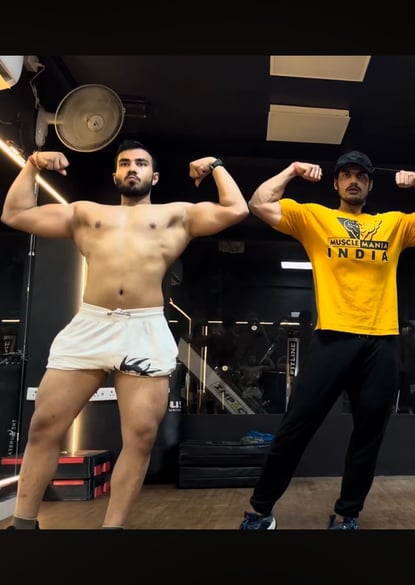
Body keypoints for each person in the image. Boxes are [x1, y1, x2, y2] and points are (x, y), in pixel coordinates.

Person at [1, 139, 249, 528]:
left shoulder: (176, 215)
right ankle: (23, 525)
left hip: (145, 328)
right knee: (44, 427)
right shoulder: (86, 212)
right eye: (124, 163)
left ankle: (111, 530)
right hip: (91, 325)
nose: (132, 168)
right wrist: (32, 164)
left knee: (140, 438)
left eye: (141, 163)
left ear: (154, 175)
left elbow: (236, 208)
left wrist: (215, 165)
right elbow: (15, 214)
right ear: (115, 174)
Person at [240, 150, 415, 529]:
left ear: (370, 184)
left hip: (382, 342)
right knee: (295, 429)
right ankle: (260, 510)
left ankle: (346, 515)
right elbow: (259, 204)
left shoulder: (393, 224)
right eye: (346, 175)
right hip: (332, 338)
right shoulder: (315, 218)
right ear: (336, 183)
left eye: (361, 176)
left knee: (368, 436)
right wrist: (291, 170)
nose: (353, 180)